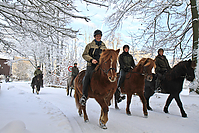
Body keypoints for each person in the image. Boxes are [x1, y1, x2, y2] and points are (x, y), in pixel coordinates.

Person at [79, 29, 107, 106]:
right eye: (97, 36)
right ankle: (84, 96)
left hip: (100, 66)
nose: (98, 37)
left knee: (108, 75)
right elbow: (84, 54)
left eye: (100, 36)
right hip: (91, 65)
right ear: (94, 37)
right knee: (87, 76)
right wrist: (91, 60)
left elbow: (106, 56)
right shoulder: (89, 45)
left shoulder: (104, 46)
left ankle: (109, 94)